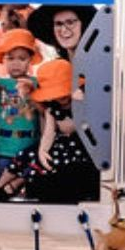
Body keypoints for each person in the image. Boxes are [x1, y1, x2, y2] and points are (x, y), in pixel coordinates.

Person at [24, 59, 100, 204]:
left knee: (77, 170)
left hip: (83, 146)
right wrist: (43, 150)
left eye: (63, 91)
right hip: (63, 147)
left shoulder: (84, 100)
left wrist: (81, 102)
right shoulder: (52, 109)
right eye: (56, 93)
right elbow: (49, 133)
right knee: (45, 166)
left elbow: (91, 123)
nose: (60, 97)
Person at [0, 28, 41, 194]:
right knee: (3, 194)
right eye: (10, 58)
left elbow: (44, 108)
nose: (15, 63)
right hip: (4, 148)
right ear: (3, 61)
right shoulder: (1, 83)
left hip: (28, 147)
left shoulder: (36, 83)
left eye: (22, 59)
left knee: (27, 192)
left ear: (30, 61)